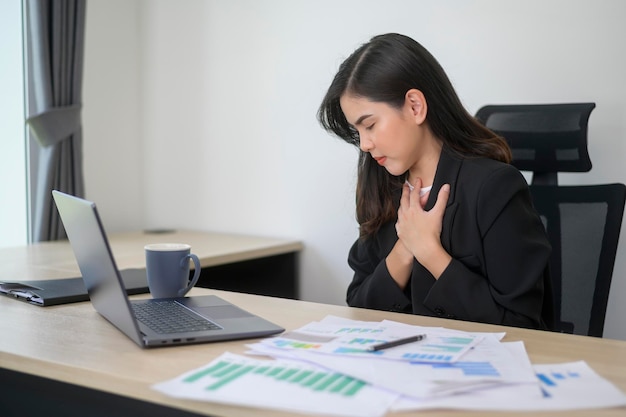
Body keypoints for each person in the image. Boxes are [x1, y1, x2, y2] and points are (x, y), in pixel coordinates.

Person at [317, 33, 554, 330]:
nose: (364, 144)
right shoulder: (380, 186)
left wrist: (429, 251)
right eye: (358, 131)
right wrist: (405, 248)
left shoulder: (495, 188)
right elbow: (361, 308)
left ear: (415, 106)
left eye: (370, 125)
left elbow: (522, 325)